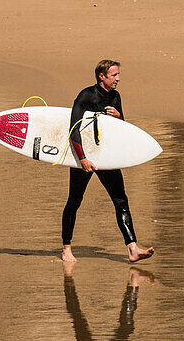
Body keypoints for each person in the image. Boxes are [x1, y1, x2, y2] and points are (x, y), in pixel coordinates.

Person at [60, 60, 155, 264]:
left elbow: (121, 128)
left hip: (105, 155)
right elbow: (73, 129)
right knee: (74, 201)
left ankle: (132, 249)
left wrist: (119, 116)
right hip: (83, 154)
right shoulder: (86, 96)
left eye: (118, 75)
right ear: (101, 76)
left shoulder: (115, 96)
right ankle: (66, 248)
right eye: (114, 75)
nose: (118, 79)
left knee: (120, 200)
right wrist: (83, 159)